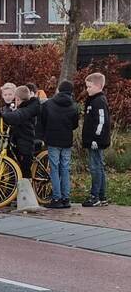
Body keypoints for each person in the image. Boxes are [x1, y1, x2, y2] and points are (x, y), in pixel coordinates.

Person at [39, 80, 80, 209]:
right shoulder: (73, 106)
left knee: (54, 169)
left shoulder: (48, 104)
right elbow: (75, 125)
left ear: (59, 90)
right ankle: (66, 198)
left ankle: (56, 198)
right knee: (65, 168)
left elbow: (43, 121)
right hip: (66, 141)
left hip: (52, 140)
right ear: (71, 92)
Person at [0, 85, 37, 176]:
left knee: (24, 169)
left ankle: (26, 186)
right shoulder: (13, 108)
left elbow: (14, 117)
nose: (8, 97)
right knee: (13, 167)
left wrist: (1, 116)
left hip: (24, 141)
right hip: (15, 140)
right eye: (5, 94)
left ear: (16, 97)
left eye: (10, 94)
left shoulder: (23, 109)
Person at [82, 72, 111, 207]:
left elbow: (101, 121)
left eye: (89, 87)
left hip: (96, 141)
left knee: (95, 168)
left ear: (98, 86)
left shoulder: (99, 101)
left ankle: (95, 196)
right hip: (93, 139)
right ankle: (101, 195)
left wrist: (95, 138)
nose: (87, 89)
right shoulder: (93, 100)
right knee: (98, 166)